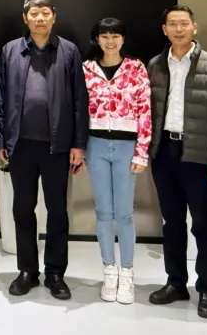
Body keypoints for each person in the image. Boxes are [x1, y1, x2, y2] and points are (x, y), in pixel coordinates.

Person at [0, 0, 88, 301]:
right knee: (22, 209)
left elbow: (79, 100)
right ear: (25, 18)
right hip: (20, 146)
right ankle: (27, 271)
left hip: (57, 147)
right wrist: (1, 140)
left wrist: (79, 144)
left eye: (45, 13)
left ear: (53, 17)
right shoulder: (10, 50)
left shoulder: (69, 51)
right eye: (34, 13)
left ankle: (55, 273)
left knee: (57, 210)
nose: (40, 18)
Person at [145, 5, 207, 318]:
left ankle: (206, 288)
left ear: (194, 27)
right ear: (164, 30)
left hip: (198, 155)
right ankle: (176, 282)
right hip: (164, 153)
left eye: (184, 23)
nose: (179, 29)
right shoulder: (155, 65)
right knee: (171, 223)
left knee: (203, 224)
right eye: (173, 24)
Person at [81, 17, 151, 304]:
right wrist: (79, 147)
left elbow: (145, 110)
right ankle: (109, 271)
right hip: (95, 144)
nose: (110, 41)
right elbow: (77, 109)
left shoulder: (135, 68)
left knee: (124, 213)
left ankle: (127, 272)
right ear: (97, 39)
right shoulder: (86, 69)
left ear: (123, 38)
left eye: (115, 36)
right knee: (103, 212)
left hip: (126, 146)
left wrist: (142, 151)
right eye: (104, 36)